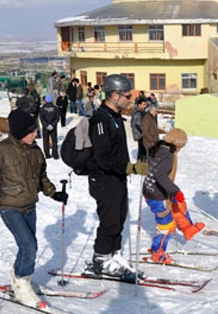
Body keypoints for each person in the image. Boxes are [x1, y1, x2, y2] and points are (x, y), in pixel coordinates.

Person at [0, 109, 68, 309]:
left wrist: (53, 193)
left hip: (29, 205)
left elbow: (41, 177)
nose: (35, 135)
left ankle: (19, 278)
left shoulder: (35, 150)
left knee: (29, 246)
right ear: (18, 132)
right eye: (30, 132)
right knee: (28, 246)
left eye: (35, 131)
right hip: (9, 205)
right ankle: (22, 285)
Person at [83, 74, 148, 281]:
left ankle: (113, 255)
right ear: (114, 95)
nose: (130, 99)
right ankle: (101, 259)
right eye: (127, 96)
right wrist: (130, 167)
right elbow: (103, 158)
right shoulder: (101, 119)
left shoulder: (117, 117)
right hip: (103, 179)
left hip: (117, 177)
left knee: (120, 217)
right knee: (110, 220)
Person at [142, 128, 205, 264]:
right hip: (158, 196)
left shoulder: (157, 149)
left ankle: (157, 248)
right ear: (176, 144)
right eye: (181, 147)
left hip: (149, 192)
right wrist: (175, 191)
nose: (180, 150)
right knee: (167, 227)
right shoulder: (168, 155)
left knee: (164, 222)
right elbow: (161, 176)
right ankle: (158, 254)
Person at [39, 94, 61, 159]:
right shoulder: (55, 108)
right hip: (53, 127)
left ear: (45, 100)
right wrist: (52, 124)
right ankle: (55, 154)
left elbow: (41, 118)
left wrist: (46, 125)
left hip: (45, 127)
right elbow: (57, 118)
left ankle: (47, 154)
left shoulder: (42, 108)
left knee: (45, 140)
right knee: (54, 140)